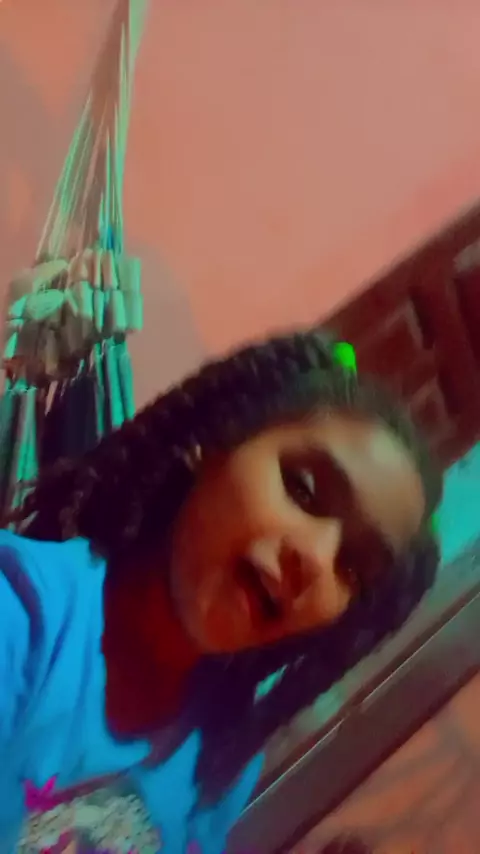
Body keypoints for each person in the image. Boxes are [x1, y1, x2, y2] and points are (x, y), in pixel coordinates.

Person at [0, 329, 441, 854]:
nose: (317, 559)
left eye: (352, 567)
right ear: (214, 445)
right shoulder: (22, 618)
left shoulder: (223, 754)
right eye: (303, 490)